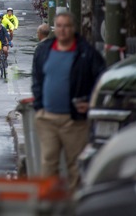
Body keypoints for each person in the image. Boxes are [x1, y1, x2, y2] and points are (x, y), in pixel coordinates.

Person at [31, 12, 105, 191]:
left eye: (67, 26)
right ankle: (49, 205)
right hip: (47, 118)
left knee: (75, 165)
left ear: (73, 29)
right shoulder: (44, 50)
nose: (63, 30)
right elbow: (37, 78)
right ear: (55, 28)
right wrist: (39, 106)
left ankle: (73, 205)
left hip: (74, 120)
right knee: (48, 163)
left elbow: (102, 79)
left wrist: (90, 102)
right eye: (59, 26)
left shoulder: (86, 52)